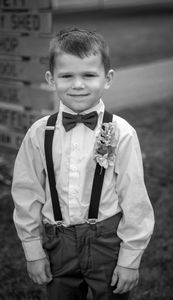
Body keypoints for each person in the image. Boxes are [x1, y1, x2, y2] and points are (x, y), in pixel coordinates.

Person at [12, 27, 154, 300]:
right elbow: (26, 192)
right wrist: (32, 251)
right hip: (58, 243)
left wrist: (129, 259)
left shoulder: (122, 132)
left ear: (107, 78)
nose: (78, 84)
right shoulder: (39, 133)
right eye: (67, 76)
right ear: (51, 79)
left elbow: (134, 197)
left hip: (107, 243)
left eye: (89, 75)